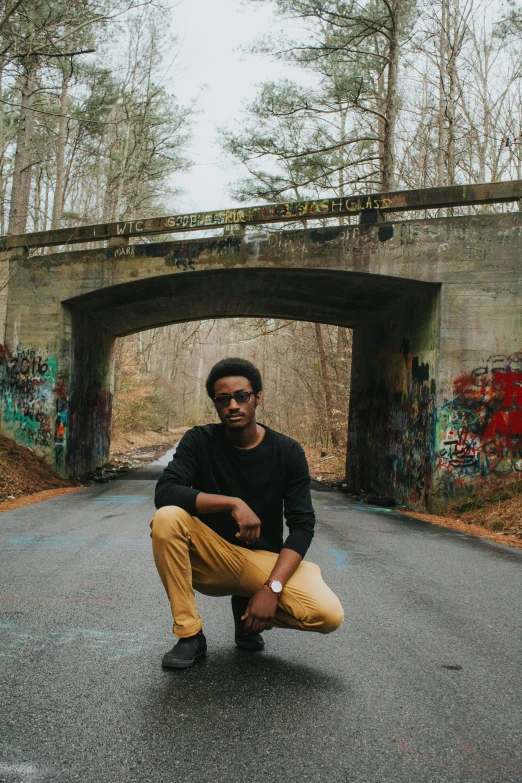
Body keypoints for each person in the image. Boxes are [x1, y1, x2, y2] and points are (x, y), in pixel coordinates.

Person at [151, 357, 344, 669]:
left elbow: (302, 525)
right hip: (211, 558)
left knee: (328, 615)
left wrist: (272, 589)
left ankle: (248, 608)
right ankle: (190, 635)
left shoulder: (287, 451)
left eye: (242, 396)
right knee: (167, 517)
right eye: (223, 399)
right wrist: (232, 503)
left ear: (257, 398)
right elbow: (165, 492)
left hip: (261, 564)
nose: (233, 405)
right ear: (215, 403)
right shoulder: (199, 441)